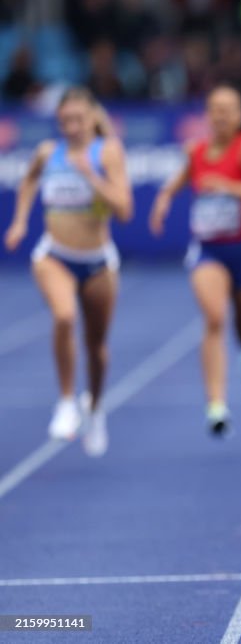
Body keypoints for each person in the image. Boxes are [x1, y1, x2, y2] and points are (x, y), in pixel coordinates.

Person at [149, 84, 241, 435]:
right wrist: (163, 201)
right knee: (214, 318)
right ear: (207, 115)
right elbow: (177, 182)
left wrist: (233, 188)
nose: (221, 115)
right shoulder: (196, 151)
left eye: (229, 109)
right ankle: (216, 404)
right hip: (208, 250)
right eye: (215, 108)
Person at [3, 87, 131, 457]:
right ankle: (65, 401)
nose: (71, 128)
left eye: (78, 120)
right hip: (54, 255)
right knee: (63, 316)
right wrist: (20, 222)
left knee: (97, 347)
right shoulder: (48, 152)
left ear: (93, 119)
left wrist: (91, 175)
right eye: (64, 122)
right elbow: (28, 181)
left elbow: (124, 210)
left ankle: (95, 408)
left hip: (98, 261)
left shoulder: (108, 152)